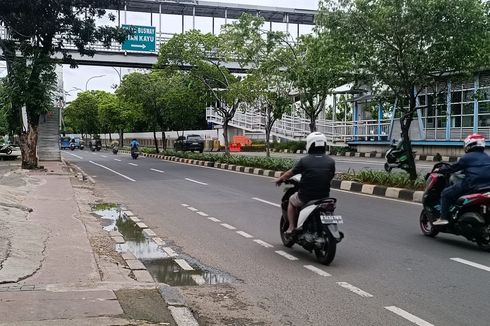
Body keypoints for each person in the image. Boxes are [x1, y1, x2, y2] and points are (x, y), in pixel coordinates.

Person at [275, 132, 336, 235]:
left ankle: (291, 227)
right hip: (324, 197)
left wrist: (280, 179)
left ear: (310, 144)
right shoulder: (331, 161)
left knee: (291, 200)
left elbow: (290, 173)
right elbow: (331, 176)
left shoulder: (304, 161)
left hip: (306, 196)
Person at [433, 133, 490, 225]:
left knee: (445, 193)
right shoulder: (487, 157)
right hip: (487, 186)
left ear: (469, 145)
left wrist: (440, 169)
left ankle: (443, 218)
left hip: (472, 185)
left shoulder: (466, 157)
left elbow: (452, 168)